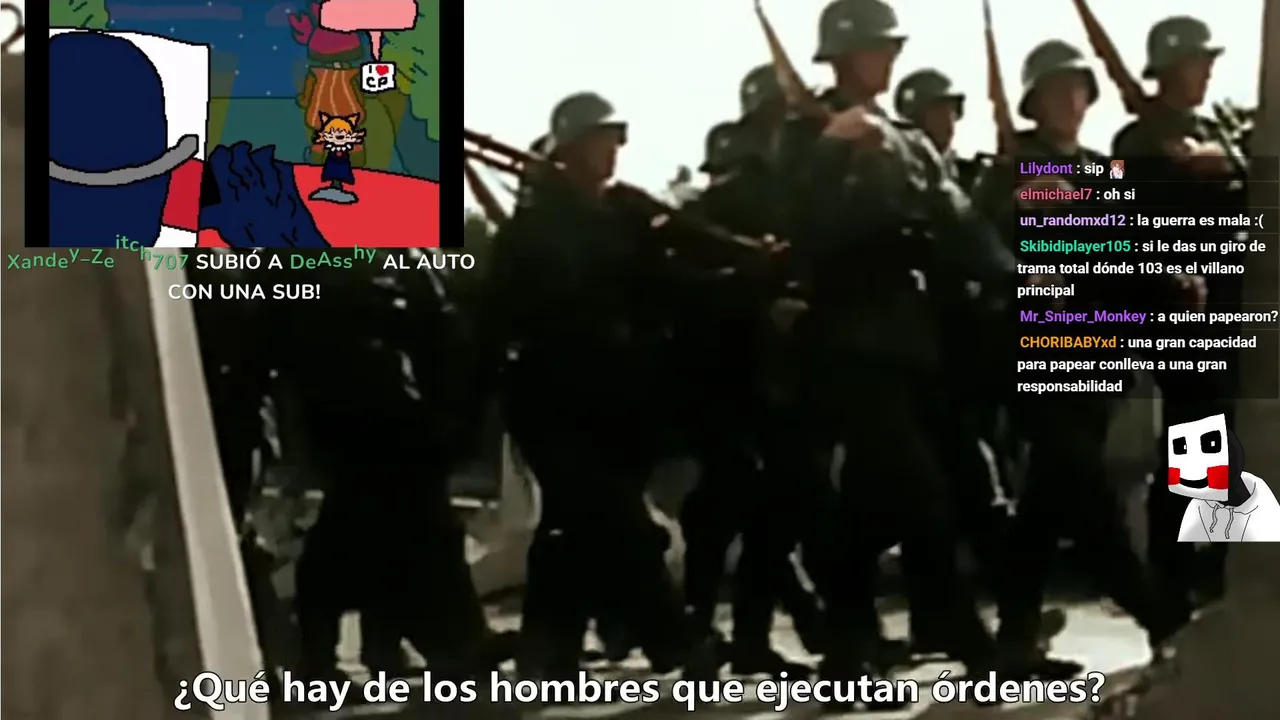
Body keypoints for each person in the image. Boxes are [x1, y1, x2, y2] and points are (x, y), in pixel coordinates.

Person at [775, 0, 1016, 709]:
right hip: (851, 340)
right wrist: (833, 153)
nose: (887, 58)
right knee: (922, 495)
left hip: (912, 338)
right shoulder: (807, 135)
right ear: (843, 58)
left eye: (890, 47)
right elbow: (798, 228)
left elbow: (955, 216)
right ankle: (973, 645)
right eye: (875, 48)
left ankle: (848, 652)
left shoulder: (907, 138)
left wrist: (1013, 275)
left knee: (885, 504)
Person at [971, 38, 1190, 679]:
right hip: (1039, 349)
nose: (1068, 100)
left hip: (1098, 352)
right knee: (1087, 498)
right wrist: (1017, 214)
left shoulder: (1102, 169)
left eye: (1076, 89)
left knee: (1046, 504)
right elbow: (978, 244)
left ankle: (1015, 641)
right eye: (1055, 91)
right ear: (1033, 102)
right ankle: (1163, 619)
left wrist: (1171, 278)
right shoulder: (1007, 169)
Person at [481, 92, 684, 681]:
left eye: (614, 140)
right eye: (598, 140)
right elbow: (498, 320)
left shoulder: (624, 218)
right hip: (554, 401)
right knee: (620, 522)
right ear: (569, 150)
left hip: (616, 400)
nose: (610, 151)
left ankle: (548, 654)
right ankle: (674, 641)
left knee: (572, 531)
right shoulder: (536, 228)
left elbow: (664, 289)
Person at [1112, 14, 1244, 612]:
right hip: (1178, 312)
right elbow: (1129, 227)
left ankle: (1207, 564)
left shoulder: (1211, 133)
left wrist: (1219, 165)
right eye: (1196, 62)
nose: (1206, 72)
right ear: (1168, 70)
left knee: (1217, 437)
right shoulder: (1137, 144)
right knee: (1195, 437)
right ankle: (1179, 571)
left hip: (1228, 306)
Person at [892, 68, 971, 185]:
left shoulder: (966, 175)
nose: (948, 119)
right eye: (937, 111)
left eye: (952, 110)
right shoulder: (898, 172)